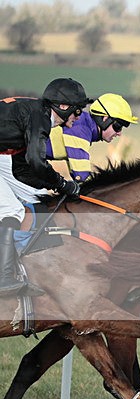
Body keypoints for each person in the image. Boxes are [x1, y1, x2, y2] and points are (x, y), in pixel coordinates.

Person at [0, 78, 91, 296]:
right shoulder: (39, 117)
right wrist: (62, 184)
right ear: (63, 106)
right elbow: (36, 161)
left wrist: (55, 188)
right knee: (11, 210)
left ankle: (25, 267)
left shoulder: (34, 112)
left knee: (37, 197)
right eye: (77, 111)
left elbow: (22, 168)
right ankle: (3, 279)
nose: (78, 117)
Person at [1, 93, 138, 203]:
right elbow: (82, 177)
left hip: (18, 157)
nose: (119, 133)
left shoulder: (83, 125)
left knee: (36, 201)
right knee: (30, 205)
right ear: (105, 118)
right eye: (118, 126)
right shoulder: (81, 130)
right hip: (8, 155)